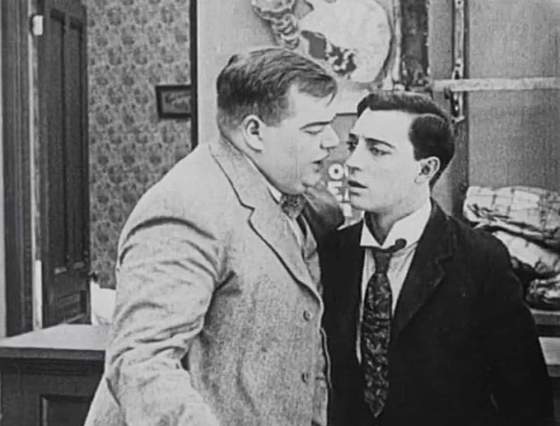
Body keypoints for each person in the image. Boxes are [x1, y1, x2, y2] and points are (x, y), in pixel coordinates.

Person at [85, 47, 343, 426]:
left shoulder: (291, 196)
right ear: (254, 132)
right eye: (314, 130)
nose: (332, 141)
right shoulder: (189, 206)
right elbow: (140, 362)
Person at [320, 91, 553, 426]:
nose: (353, 162)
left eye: (377, 150)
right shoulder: (333, 252)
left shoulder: (479, 258)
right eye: (353, 145)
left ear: (425, 169)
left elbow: (526, 398)